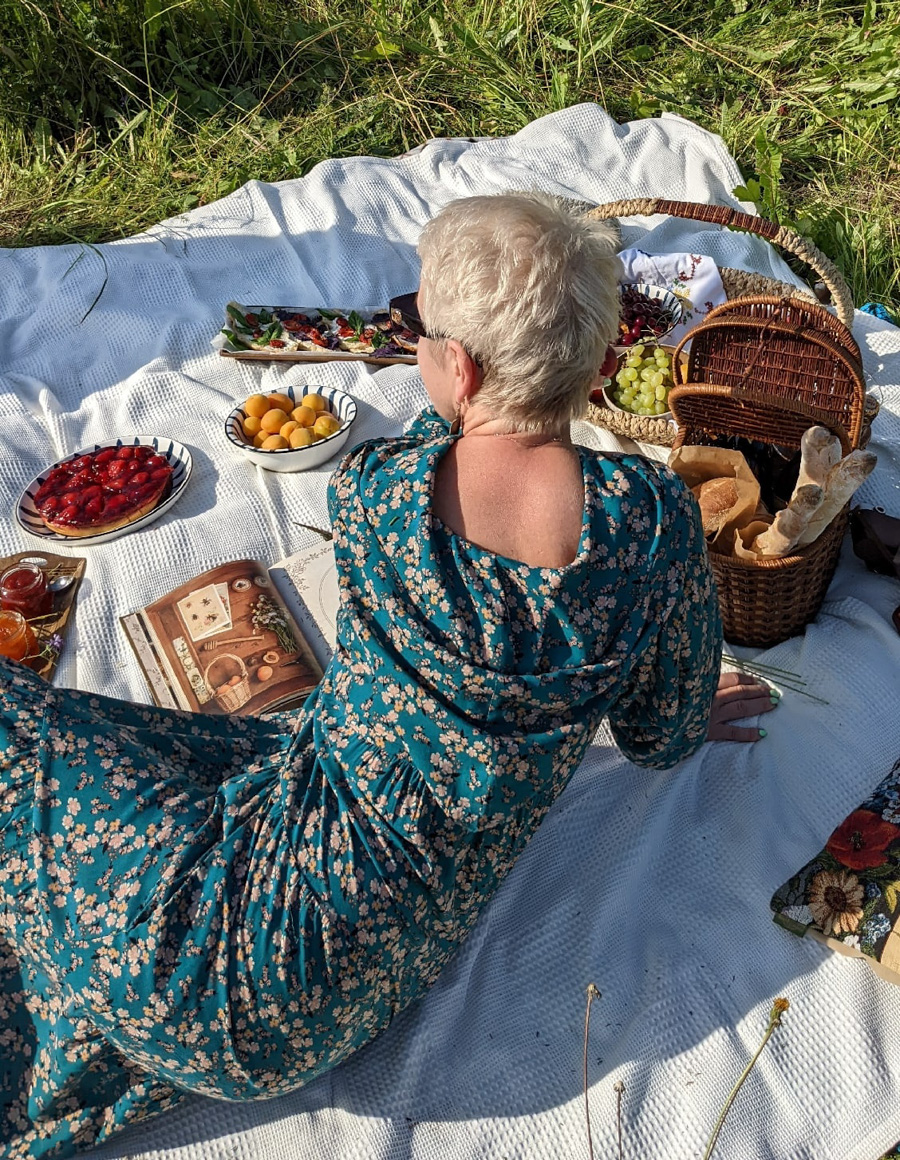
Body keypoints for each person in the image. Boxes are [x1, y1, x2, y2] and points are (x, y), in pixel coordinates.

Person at [0, 193, 773, 1159]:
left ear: (458, 367)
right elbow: (661, 737)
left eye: (420, 333)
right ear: (599, 362)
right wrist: (691, 703)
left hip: (196, 956)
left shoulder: (379, 494)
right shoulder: (652, 520)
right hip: (337, 1007)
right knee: (148, 753)